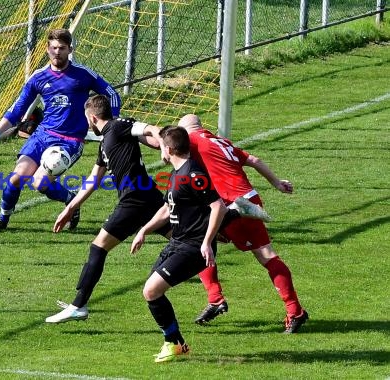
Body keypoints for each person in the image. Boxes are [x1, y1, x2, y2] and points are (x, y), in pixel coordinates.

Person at [45, 95, 266, 324]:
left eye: (86, 119)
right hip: (149, 199)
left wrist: (163, 147)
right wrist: (70, 208)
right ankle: (233, 214)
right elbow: (93, 180)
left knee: (98, 248)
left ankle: (78, 305)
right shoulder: (105, 145)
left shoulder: (120, 126)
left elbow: (155, 129)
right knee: (189, 238)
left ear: (92, 117)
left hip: (134, 201)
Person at [0, 29, 121, 232]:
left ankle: (70, 201)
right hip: (42, 135)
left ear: (70, 49)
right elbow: (16, 111)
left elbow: (112, 95)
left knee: (39, 182)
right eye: (53, 48)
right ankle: (2, 220)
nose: (57, 52)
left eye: (61, 48)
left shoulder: (83, 75)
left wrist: (109, 125)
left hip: (70, 141)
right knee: (16, 178)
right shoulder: (38, 78)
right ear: (47, 49)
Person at [178, 114, 308, 333]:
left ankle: (294, 311)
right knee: (201, 238)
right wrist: (277, 183)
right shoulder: (221, 141)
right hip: (247, 199)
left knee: (263, 255)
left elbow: (163, 141)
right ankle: (216, 299)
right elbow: (254, 160)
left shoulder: (193, 140)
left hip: (234, 205)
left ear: (187, 131)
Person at [130, 125, 227, 363]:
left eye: (161, 145)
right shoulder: (176, 173)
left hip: (193, 247)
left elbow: (218, 206)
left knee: (151, 290)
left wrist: (207, 242)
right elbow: (167, 208)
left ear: (170, 149)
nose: (159, 150)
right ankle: (177, 343)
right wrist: (143, 230)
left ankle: (173, 343)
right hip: (178, 242)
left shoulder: (193, 174)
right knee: (151, 292)